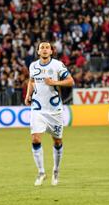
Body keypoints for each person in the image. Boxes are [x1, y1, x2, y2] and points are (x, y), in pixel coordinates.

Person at [25, 42, 75, 186]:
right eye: (42, 48)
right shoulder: (33, 66)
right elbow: (31, 81)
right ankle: (41, 172)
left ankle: (56, 170)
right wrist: (28, 95)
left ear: (51, 51)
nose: (45, 50)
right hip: (38, 108)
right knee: (35, 138)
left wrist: (54, 82)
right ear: (38, 51)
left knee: (57, 141)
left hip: (54, 110)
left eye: (47, 48)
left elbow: (71, 81)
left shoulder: (58, 65)